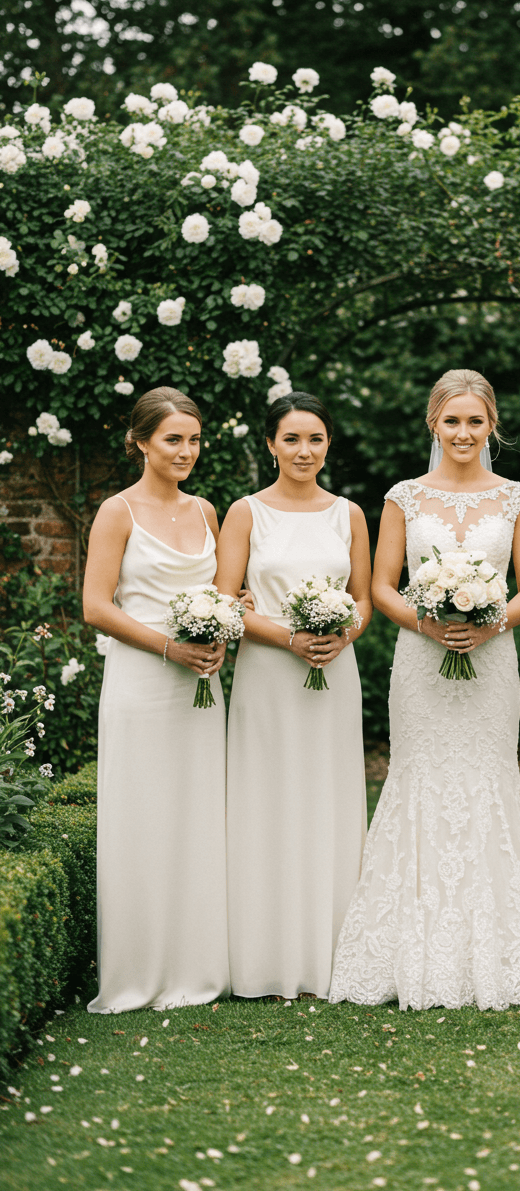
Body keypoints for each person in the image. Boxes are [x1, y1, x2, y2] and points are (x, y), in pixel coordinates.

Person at [329, 368, 520, 1010]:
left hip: (492, 663)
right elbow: (381, 586)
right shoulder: (403, 496)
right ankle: (406, 946)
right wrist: (425, 622)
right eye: (452, 421)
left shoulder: (518, 497)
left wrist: (491, 623)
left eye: (475, 421)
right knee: (419, 775)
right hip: (419, 661)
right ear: (433, 424)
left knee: (491, 775)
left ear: (492, 426)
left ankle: (502, 947)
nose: (464, 432)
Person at [214, 391, 371, 999]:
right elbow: (226, 601)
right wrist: (289, 637)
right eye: (291, 439)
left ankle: (332, 951)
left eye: (315, 439)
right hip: (268, 676)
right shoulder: (245, 512)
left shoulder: (349, 514)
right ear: (271, 444)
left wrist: (340, 634)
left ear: (328, 445)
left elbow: (362, 599)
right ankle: (266, 958)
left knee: (327, 798)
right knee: (268, 800)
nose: (304, 451)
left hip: (334, 672)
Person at [83, 386, 229, 1013]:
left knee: (197, 818)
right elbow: (95, 605)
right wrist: (169, 648)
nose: (186, 451)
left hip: (202, 688)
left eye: (195, 439)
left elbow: (223, 593)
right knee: (142, 819)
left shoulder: (206, 511)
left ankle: (196, 967)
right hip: (143, 685)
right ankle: (137, 971)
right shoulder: (118, 512)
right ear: (141, 441)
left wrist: (226, 625)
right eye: (173, 439)